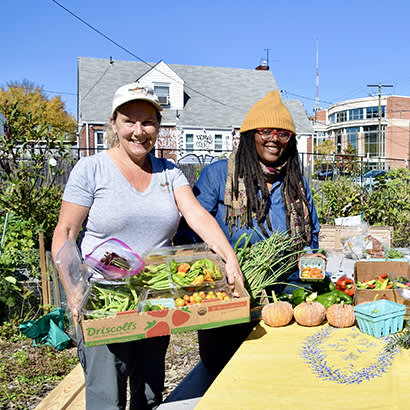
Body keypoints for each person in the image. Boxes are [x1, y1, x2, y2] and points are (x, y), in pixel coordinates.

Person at [51, 82, 242, 410]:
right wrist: (72, 289)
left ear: (158, 126)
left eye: (148, 122)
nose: (139, 131)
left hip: (155, 298)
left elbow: (197, 215)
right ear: (114, 123)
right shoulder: (91, 169)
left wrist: (229, 258)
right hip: (104, 300)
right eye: (129, 121)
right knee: (106, 398)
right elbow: (65, 234)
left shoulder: (169, 173)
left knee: (150, 395)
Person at [170, 90, 322, 397]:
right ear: (250, 135)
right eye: (265, 131)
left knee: (275, 377)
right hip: (228, 301)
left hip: (283, 300)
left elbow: (312, 236)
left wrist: (311, 262)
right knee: (223, 377)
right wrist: (217, 272)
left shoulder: (296, 181)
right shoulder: (218, 175)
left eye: (282, 133)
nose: (274, 139)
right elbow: (188, 233)